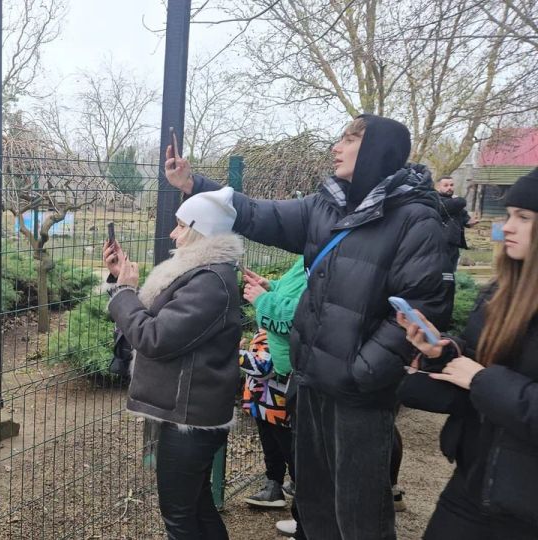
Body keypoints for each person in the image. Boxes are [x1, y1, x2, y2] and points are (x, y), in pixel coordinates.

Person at [165, 114, 451, 540]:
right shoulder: (328, 206)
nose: (336, 147)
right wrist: (196, 185)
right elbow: (264, 215)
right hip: (311, 382)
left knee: (358, 514)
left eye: (349, 139)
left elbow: (422, 306)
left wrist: (362, 372)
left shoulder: (415, 220)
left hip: (358, 394)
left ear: (376, 151)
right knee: (313, 504)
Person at [397, 167, 538, 540]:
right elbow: (478, 358)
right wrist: (440, 352)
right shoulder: (500, 294)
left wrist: (480, 379)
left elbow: (483, 376)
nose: (506, 227)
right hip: (472, 482)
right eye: (508, 215)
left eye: (523, 218)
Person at [103, 190, 242, 540]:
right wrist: (120, 281)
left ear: (200, 230)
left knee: (179, 518)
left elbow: (154, 338)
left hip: (190, 418)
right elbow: (152, 318)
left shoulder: (209, 281)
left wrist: (125, 294)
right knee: (196, 507)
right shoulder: (197, 274)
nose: (173, 233)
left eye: (180, 225)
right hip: (188, 412)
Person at [238, 256, 305, 510]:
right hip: (262, 404)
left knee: (288, 449)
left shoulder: (276, 333)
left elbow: (264, 367)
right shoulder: (268, 329)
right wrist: (271, 288)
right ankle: (273, 486)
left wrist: (235, 356)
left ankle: (300, 489)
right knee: (271, 448)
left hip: (276, 404)